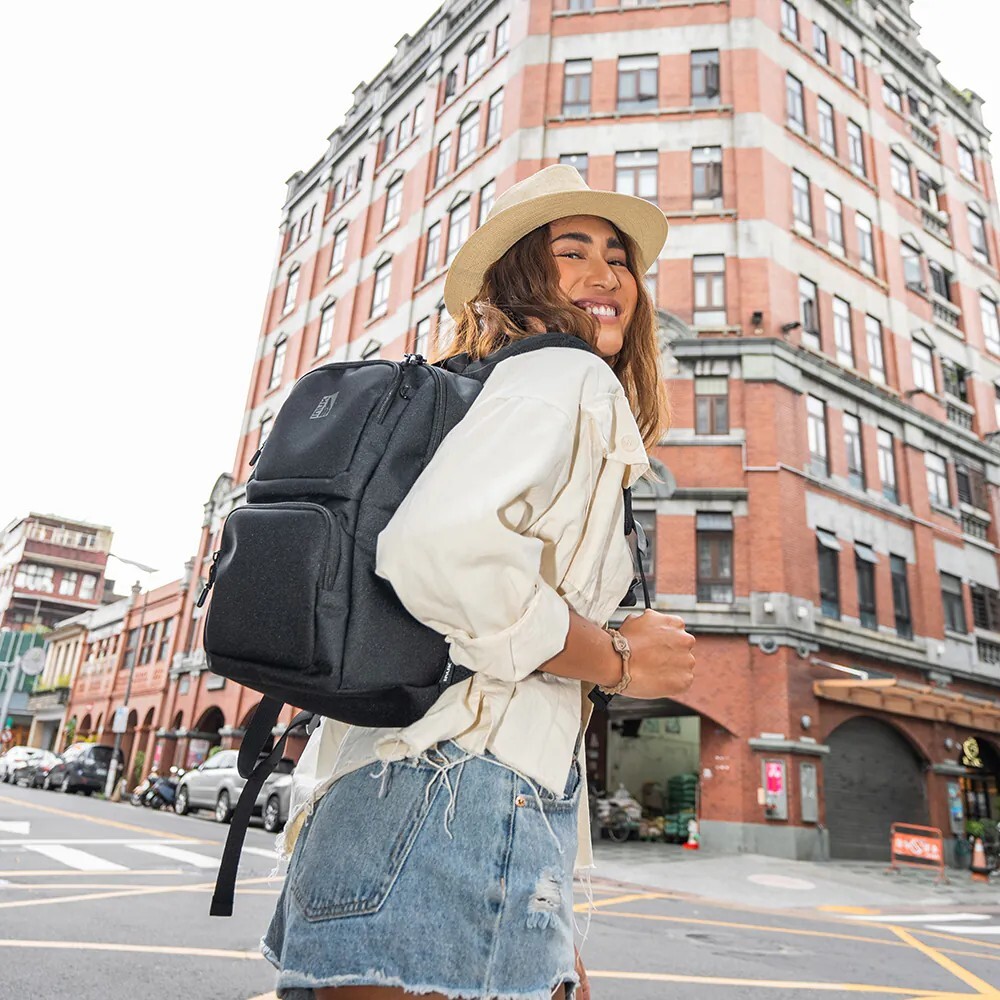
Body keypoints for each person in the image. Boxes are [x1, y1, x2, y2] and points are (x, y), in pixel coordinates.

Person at [261, 164, 697, 1000]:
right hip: (456, 800)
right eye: (573, 252)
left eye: (619, 258)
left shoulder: (484, 390)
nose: (608, 275)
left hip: (385, 801)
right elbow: (439, 551)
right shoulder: (565, 376)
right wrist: (618, 658)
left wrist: (547, 906)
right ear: (521, 277)